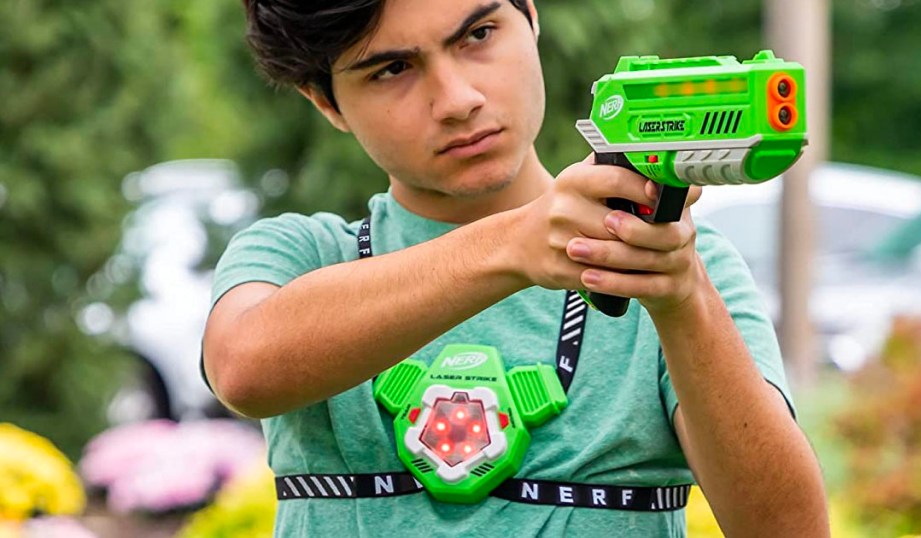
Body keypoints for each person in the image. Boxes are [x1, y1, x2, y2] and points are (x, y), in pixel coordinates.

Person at [202, 0, 829, 535]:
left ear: (531, 15)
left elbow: (788, 528)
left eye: (477, 35)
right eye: (392, 68)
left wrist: (683, 301)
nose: (457, 100)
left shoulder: (684, 263)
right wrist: (513, 244)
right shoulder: (303, 255)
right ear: (325, 101)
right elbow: (243, 366)